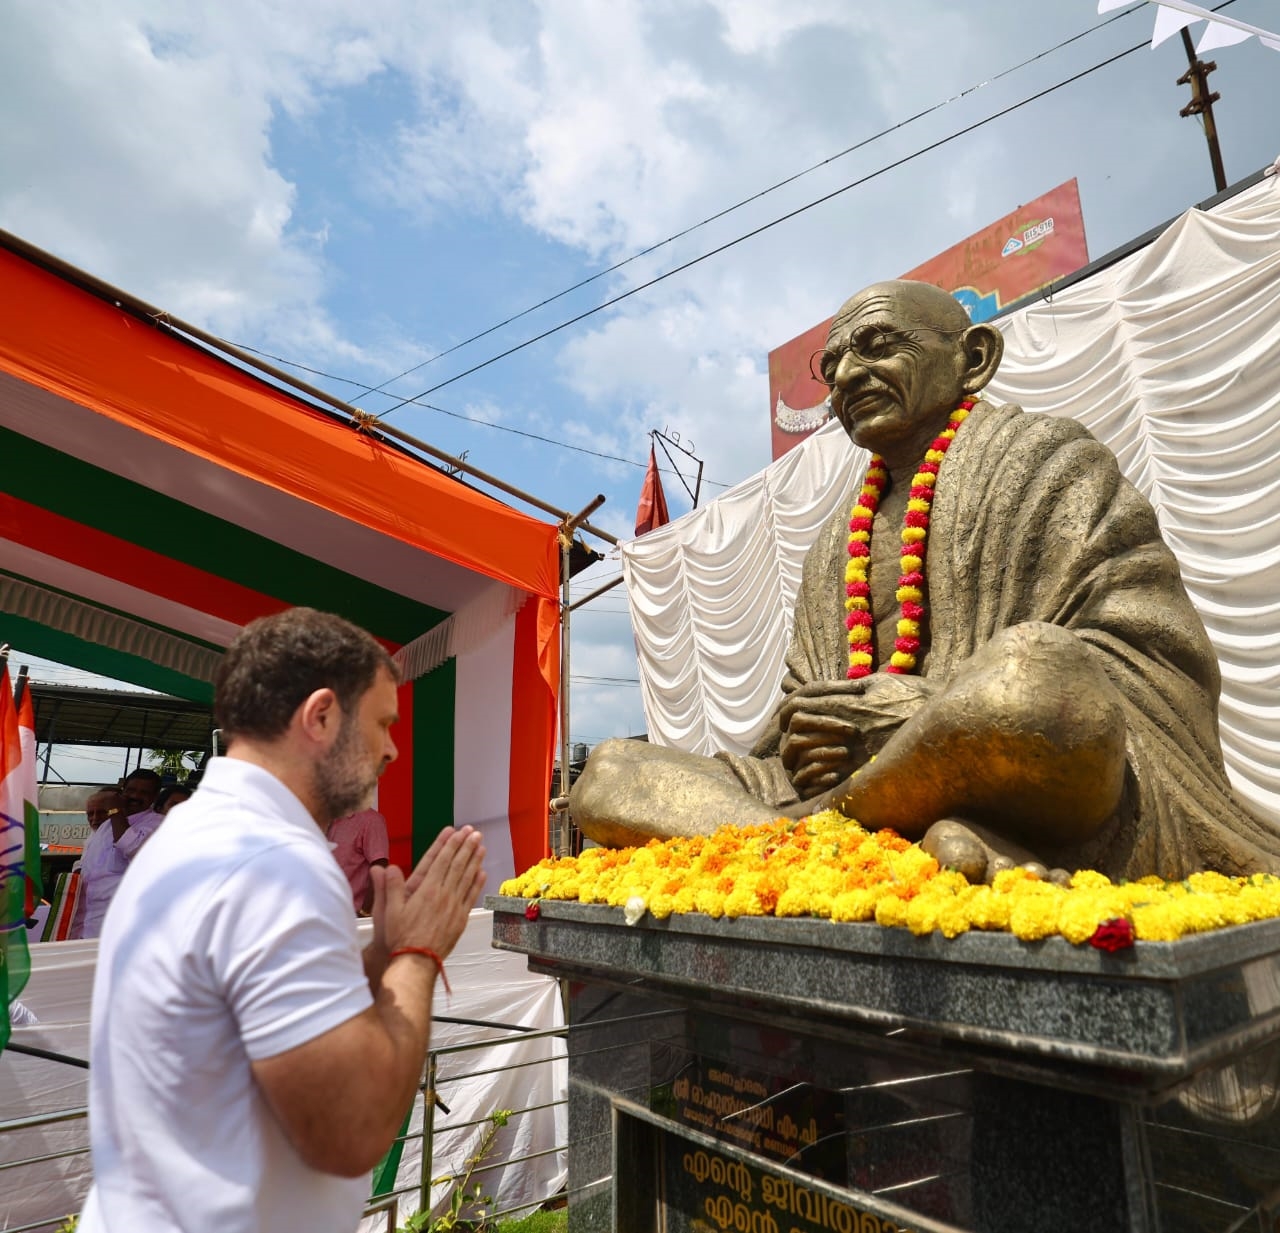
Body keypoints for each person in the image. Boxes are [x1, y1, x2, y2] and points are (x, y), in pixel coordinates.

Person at [571, 280, 1280, 883]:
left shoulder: (1047, 461)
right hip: (846, 791)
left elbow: (1139, 664)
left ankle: (818, 838)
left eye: (878, 345)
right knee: (608, 770)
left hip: (1017, 774)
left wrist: (920, 709)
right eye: (833, 363)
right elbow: (797, 716)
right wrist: (801, 737)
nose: (846, 375)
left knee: (1034, 676)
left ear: (973, 359)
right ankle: (857, 839)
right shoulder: (835, 543)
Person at [80, 607, 486, 1233]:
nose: (392, 749)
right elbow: (350, 1132)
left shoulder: (201, 832)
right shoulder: (274, 862)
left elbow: (247, 1012)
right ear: (321, 716)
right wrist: (418, 955)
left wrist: (376, 959)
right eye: (382, 723)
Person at [70, 787, 129, 939]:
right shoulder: (91, 839)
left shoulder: (129, 835)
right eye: (90, 813)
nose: (95, 818)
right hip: (85, 925)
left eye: (102, 812)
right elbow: (82, 865)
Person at [329, 807, 390, 915]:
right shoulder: (319, 818)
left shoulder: (371, 820)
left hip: (352, 919)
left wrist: (364, 913)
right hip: (322, 916)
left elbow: (380, 868)